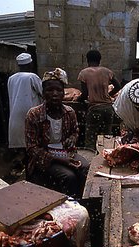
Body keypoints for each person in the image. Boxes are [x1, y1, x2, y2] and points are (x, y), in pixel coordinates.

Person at [25, 68, 89, 199]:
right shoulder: (34, 114)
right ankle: (68, 206)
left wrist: (72, 139)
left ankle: (82, 201)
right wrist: (58, 159)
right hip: (44, 157)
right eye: (49, 90)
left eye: (59, 90)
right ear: (43, 93)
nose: (55, 94)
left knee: (86, 167)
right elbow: (32, 148)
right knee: (68, 176)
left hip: (65, 152)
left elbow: (75, 131)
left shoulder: (69, 112)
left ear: (63, 93)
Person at [77, 50, 121, 149]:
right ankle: (106, 158)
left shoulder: (84, 73)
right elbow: (118, 86)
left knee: (91, 137)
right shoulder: (107, 71)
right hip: (108, 109)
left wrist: (79, 99)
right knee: (107, 136)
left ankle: (90, 158)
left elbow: (85, 94)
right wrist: (109, 94)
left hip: (95, 109)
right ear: (99, 60)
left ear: (87, 60)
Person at [7, 52, 43, 175]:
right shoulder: (32, 77)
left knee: (21, 139)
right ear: (30, 64)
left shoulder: (11, 78)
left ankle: (21, 163)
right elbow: (42, 92)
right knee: (32, 139)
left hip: (15, 112)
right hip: (30, 111)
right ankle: (31, 165)